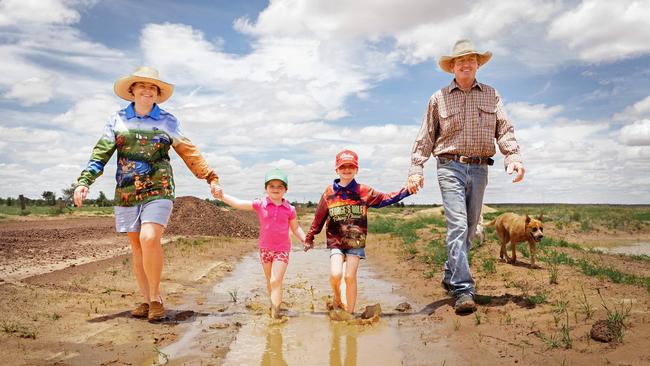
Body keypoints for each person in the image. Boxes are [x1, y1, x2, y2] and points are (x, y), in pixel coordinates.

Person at [73, 66, 221, 321]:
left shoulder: (168, 120)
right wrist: (85, 181)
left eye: (153, 87)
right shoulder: (117, 120)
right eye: (142, 85)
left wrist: (210, 177)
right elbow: (101, 154)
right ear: (132, 90)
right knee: (137, 246)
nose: (147, 90)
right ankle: (146, 298)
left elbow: (188, 151)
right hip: (127, 191)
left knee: (149, 237)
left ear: (157, 93)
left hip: (159, 186)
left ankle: (155, 299)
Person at [406, 39, 525, 314]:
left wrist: (513, 156)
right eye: (460, 60)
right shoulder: (438, 98)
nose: (466, 63)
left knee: (471, 228)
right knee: (458, 226)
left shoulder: (492, 94)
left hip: (481, 167)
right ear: (452, 67)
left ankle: (450, 272)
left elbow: (504, 128)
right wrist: (416, 168)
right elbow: (426, 136)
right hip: (449, 166)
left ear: (477, 63)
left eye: (471, 58)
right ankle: (463, 289)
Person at [305, 149, 411, 315]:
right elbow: (319, 217)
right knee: (335, 274)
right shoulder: (329, 192)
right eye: (343, 167)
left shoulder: (364, 191)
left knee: (349, 277)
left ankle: (349, 314)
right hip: (336, 241)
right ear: (336, 169)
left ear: (357, 169)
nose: (347, 170)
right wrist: (310, 237)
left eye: (351, 166)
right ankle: (338, 297)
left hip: (356, 241)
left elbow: (385, 198)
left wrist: (407, 190)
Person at [214, 168, 307, 319]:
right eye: (272, 186)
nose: (276, 189)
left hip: (282, 250)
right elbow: (239, 204)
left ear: (286, 190)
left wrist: (304, 239)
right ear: (266, 189)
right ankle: (274, 307)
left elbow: (295, 228)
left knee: (276, 280)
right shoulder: (260, 204)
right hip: (265, 249)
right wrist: (222, 196)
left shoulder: (290, 209)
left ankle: (274, 317)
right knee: (270, 281)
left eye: (280, 186)